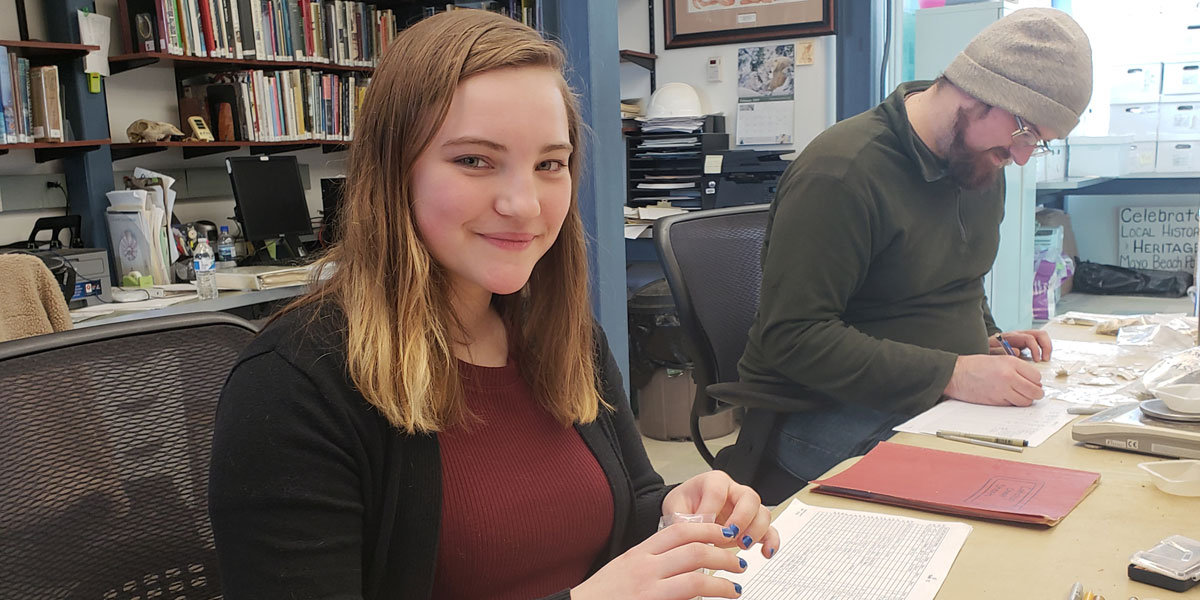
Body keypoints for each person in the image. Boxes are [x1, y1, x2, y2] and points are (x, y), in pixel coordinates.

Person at [208, 10, 779, 600]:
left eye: (549, 164)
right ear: (393, 172)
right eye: (475, 160)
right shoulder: (293, 383)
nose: (524, 204)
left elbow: (624, 503)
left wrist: (671, 513)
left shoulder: (566, 339)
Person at [737, 8, 1093, 491]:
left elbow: (960, 278)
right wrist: (953, 371)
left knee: (1070, 452)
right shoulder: (843, 174)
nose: (1023, 156)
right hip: (816, 413)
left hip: (922, 397)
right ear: (977, 91)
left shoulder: (980, 162)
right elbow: (792, 337)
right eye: (1025, 132)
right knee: (991, 487)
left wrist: (983, 337)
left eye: (1041, 144)